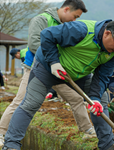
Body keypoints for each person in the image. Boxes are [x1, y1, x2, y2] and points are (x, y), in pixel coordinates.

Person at [2, 19, 114, 150]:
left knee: (100, 100)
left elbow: (102, 77)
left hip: (78, 75)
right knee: (31, 103)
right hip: (47, 69)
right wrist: (54, 62)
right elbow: (47, 35)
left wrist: (95, 98)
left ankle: (108, 144)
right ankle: (11, 144)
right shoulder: (81, 30)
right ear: (107, 33)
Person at [0, 1, 97, 149]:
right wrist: (55, 59)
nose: (75, 20)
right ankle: (2, 133)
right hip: (37, 69)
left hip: (59, 71)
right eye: (75, 16)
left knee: (77, 98)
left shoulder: (69, 27)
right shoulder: (41, 20)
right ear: (66, 9)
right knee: (21, 101)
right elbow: (34, 45)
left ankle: (87, 130)